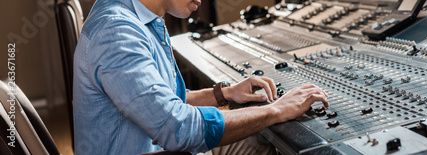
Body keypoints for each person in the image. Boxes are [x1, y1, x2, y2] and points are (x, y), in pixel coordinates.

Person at [73, 0, 330, 154]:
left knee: (255, 138)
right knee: (263, 130)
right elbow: (177, 128)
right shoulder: (117, 32)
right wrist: (276, 110)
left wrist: (224, 94)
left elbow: (158, 101)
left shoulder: (138, 19)